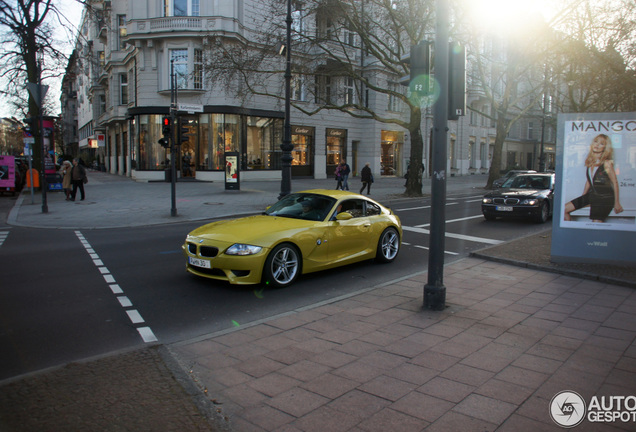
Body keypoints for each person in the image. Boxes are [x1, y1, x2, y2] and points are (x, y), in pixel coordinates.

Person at [563, 134, 623, 222]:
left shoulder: (607, 163)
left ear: (605, 147)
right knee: (563, 210)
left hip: (605, 197)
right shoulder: (591, 162)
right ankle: (568, 234)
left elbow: (615, 182)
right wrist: (583, 197)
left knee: (596, 223)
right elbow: (589, 181)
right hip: (593, 195)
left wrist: (617, 203)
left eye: (601, 144)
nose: (597, 145)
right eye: (595, 141)